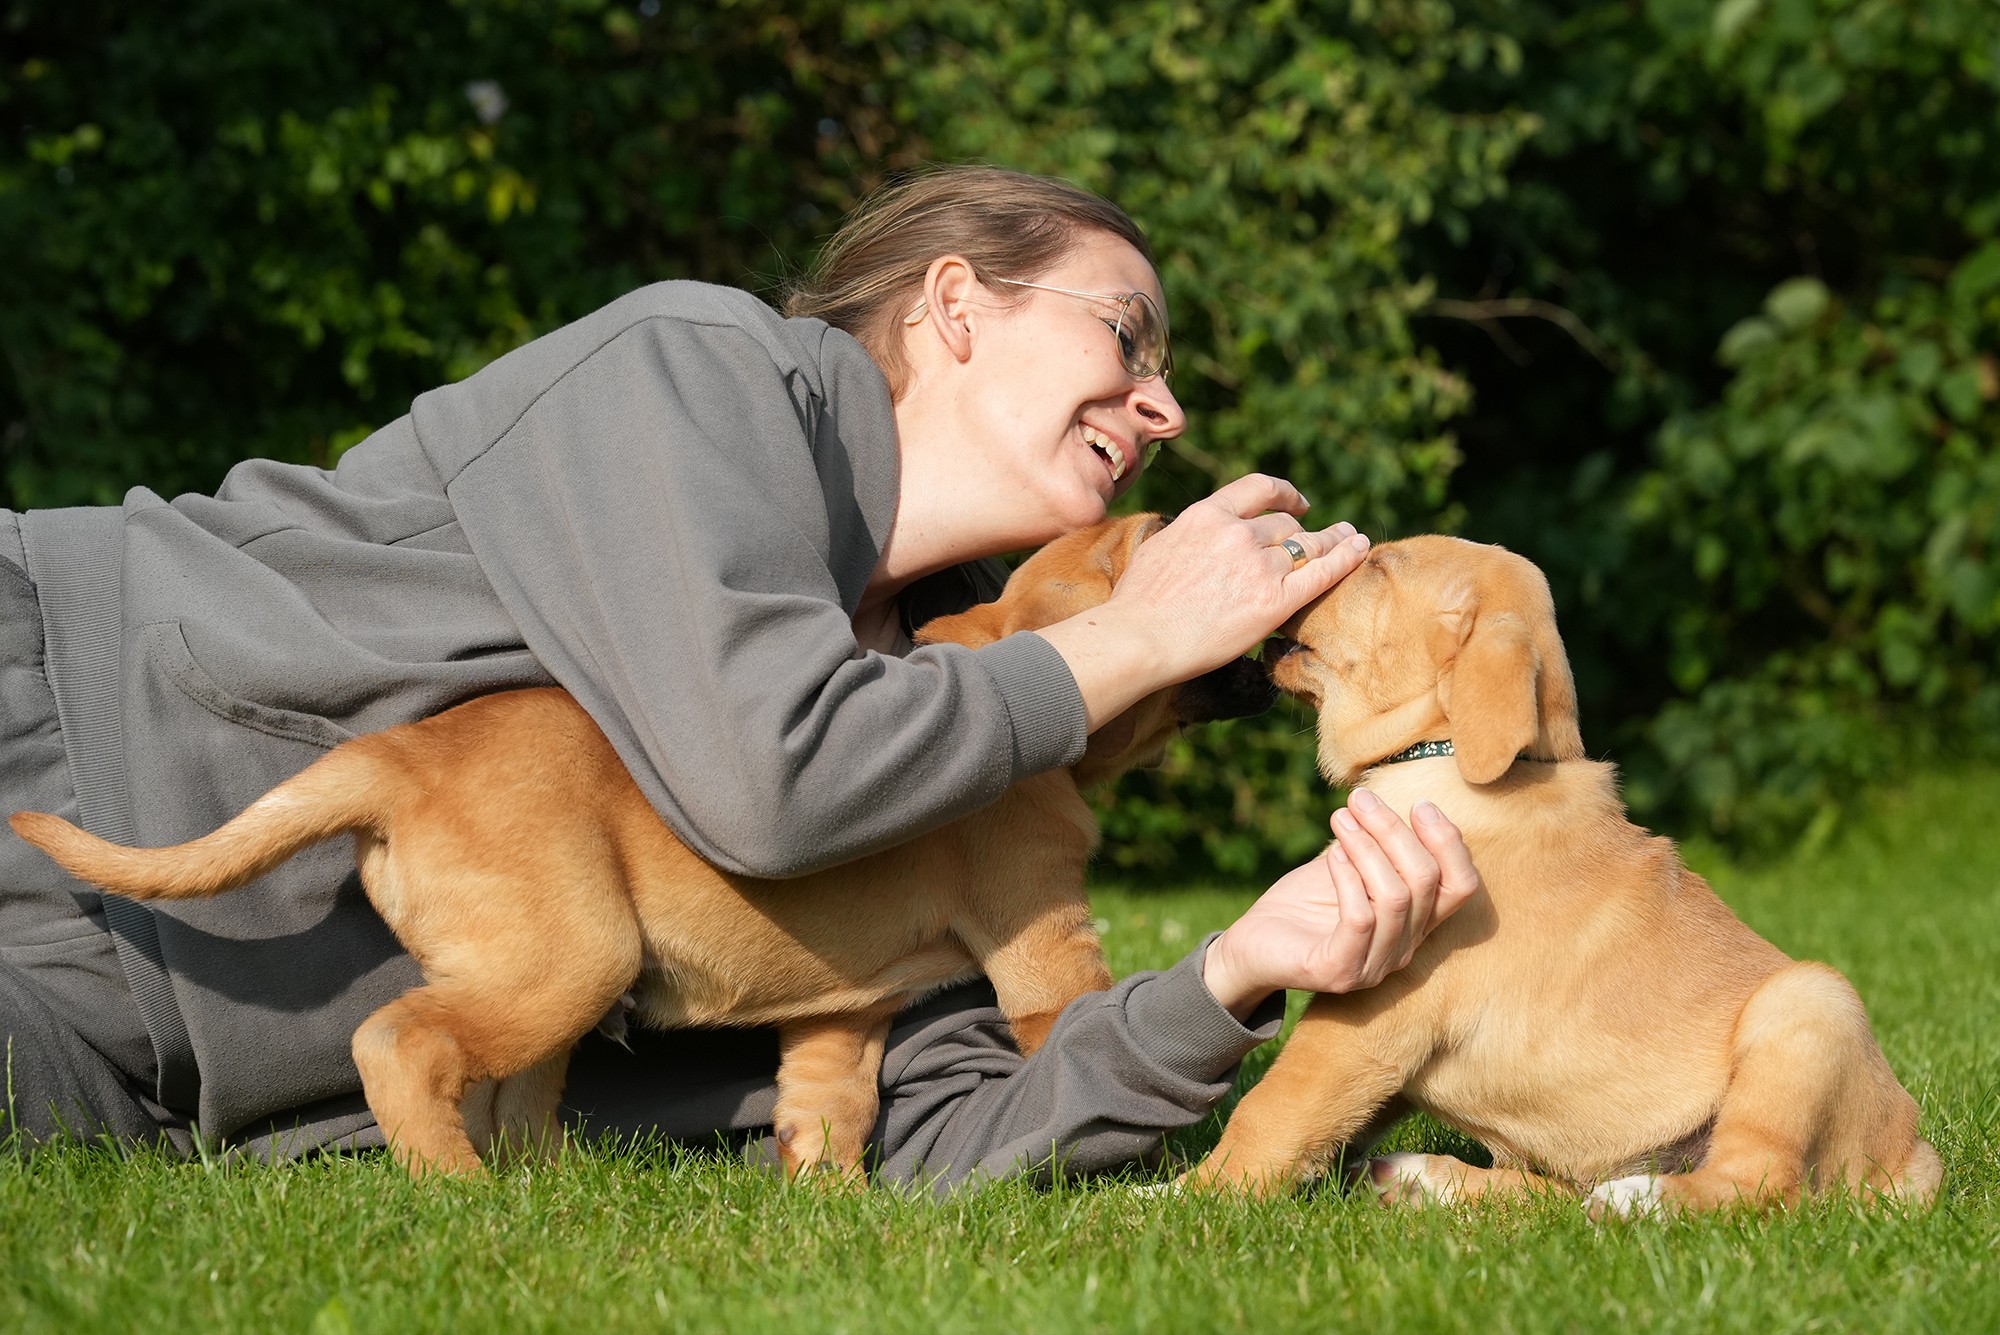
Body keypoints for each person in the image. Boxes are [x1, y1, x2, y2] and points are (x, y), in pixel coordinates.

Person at [0, 165, 1477, 1184]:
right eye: (1126, 335)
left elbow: (953, 1131)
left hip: (130, 1061)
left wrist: (1233, 974)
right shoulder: (705, 371)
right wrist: (1134, 637)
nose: (1164, 409)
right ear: (956, 305)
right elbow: (767, 773)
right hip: (52, 710)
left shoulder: (950, 724)